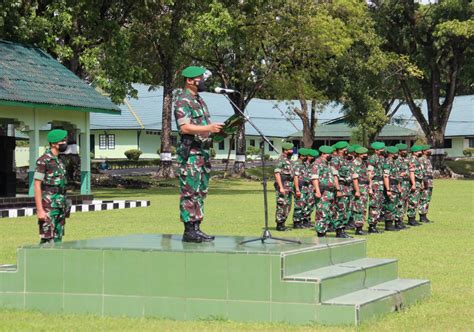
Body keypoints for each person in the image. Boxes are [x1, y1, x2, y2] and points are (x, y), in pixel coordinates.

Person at [174, 65, 223, 243]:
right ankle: (188, 231)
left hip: (203, 153)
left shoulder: (200, 101)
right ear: (190, 80)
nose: (203, 82)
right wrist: (208, 127)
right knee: (189, 192)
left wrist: (216, 131)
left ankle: (197, 228)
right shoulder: (182, 101)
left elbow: (204, 127)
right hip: (191, 155)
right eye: (200, 79)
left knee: (201, 192)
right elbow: (185, 127)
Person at [34, 129, 70, 244]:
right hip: (48, 204)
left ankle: (57, 261)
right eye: (62, 141)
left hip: (60, 202)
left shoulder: (60, 160)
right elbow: (37, 185)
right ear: (54, 143)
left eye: (65, 140)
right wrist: (40, 210)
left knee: (58, 237)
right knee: (47, 238)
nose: (65, 143)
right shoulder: (43, 161)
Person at [312, 145, 344, 237]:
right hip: (323, 192)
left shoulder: (328, 164)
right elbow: (315, 179)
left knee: (331, 212)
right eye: (328, 154)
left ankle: (330, 230)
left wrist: (337, 190)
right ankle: (321, 233)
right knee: (322, 213)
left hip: (331, 192)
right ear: (323, 154)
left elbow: (334, 177)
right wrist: (317, 191)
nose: (330, 156)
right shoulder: (317, 164)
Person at [274, 142, 299, 231]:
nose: (292, 151)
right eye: (290, 150)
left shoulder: (289, 160)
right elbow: (277, 174)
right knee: (282, 204)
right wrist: (280, 187)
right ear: (285, 150)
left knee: (288, 205)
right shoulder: (281, 160)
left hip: (289, 186)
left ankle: (283, 222)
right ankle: (279, 224)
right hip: (283, 185)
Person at [331, 141, 352, 237]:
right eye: (345, 149)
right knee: (340, 209)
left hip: (347, 188)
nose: (347, 151)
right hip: (341, 187)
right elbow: (335, 176)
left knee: (346, 210)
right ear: (340, 150)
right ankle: (339, 231)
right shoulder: (335, 160)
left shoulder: (345, 160)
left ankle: (343, 229)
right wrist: (338, 189)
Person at [351, 147, 373, 235]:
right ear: (359, 155)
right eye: (364, 154)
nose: (366, 155)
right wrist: (357, 190)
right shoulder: (355, 163)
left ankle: (361, 227)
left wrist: (370, 188)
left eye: (366, 153)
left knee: (363, 208)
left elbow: (369, 177)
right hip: (359, 187)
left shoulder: (364, 163)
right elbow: (355, 178)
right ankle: (358, 228)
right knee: (358, 208)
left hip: (365, 187)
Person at [367, 141, 386, 233]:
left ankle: (375, 224)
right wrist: (370, 188)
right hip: (375, 184)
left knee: (379, 205)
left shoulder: (382, 158)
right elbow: (369, 174)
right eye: (381, 149)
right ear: (376, 150)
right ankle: (371, 226)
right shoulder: (372, 158)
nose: (383, 150)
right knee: (374, 205)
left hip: (381, 184)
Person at [382, 146, 402, 231]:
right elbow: (386, 177)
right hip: (390, 187)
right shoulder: (387, 162)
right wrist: (388, 189)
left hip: (395, 187)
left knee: (395, 206)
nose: (397, 155)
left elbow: (396, 177)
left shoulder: (394, 162)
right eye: (395, 153)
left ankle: (393, 223)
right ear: (391, 154)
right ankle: (388, 225)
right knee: (390, 206)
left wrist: (399, 187)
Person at [406, 145, 424, 227]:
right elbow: (412, 173)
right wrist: (413, 183)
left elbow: (420, 173)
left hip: (418, 182)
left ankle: (413, 217)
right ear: (414, 152)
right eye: (419, 151)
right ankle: (411, 219)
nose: (421, 152)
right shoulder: (413, 160)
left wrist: (422, 183)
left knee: (416, 200)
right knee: (413, 201)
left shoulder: (418, 160)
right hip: (415, 181)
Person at [292, 148, 308, 229]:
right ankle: (296, 222)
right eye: (304, 156)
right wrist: (297, 189)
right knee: (299, 204)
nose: (305, 157)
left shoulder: (303, 164)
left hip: (304, 187)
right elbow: (295, 177)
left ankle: (300, 221)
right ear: (300, 156)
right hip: (299, 186)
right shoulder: (297, 164)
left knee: (303, 204)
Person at [395, 143, 410, 229]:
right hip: (400, 183)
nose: (405, 152)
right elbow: (395, 173)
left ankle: (401, 219)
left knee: (404, 202)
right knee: (400, 203)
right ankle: (398, 221)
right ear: (400, 151)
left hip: (406, 184)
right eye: (404, 151)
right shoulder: (397, 160)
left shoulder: (405, 160)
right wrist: (402, 174)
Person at [419, 145, 434, 223]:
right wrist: (422, 183)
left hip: (430, 182)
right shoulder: (421, 159)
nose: (429, 151)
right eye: (427, 150)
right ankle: (422, 216)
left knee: (427, 199)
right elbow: (421, 172)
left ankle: (424, 215)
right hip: (425, 181)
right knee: (423, 199)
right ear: (423, 151)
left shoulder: (428, 159)